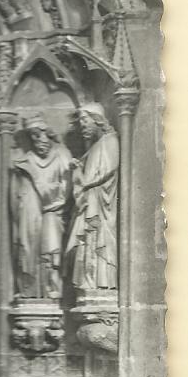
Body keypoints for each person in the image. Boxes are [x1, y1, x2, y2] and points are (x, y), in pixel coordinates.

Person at [10, 115, 73, 299]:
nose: (39, 141)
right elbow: (16, 197)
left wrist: (50, 200)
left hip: (54, 213)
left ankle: (50, 289)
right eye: (33, 137)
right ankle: (28, 289)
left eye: (41, 135)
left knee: (51, 250)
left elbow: (67, 188)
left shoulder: (62, 155)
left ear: (49, 134)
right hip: (31, 216)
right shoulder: (27, 160)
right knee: (26, 244)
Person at [65, 103, 120, 294]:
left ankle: (99, 285)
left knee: (96, 246)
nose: (83, 126)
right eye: (80, 123)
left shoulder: (110, 141)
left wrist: (78, 171)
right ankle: (90, 284)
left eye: (86, 121)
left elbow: (97, 177)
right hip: (91, 206)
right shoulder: (98, 146)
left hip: (100, 209)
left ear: (97, 120)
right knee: (87, 248)